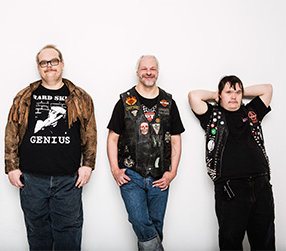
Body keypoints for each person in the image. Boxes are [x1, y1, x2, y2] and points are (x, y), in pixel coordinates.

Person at [4, 44, 97, 250]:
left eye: (53, 61)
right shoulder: (24, 96)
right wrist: (11, 167)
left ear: (62, 64)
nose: (49, 66)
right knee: (37, 233)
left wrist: (88, 164)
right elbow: (11, 131)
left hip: (68, 180)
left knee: (69, 233)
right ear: (38, 68)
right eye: (44, 63)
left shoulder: (80, 97)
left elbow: (90, 133)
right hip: (32, 180)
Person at [188, 75, 275, 250]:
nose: (233, 96)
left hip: (261, 183)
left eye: (237, 92)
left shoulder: (251, 112)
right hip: (230, 188)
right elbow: (193, 96)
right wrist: (217, 94)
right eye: (229, 92)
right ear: (220, 94)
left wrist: (240, 90)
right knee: (231, 241)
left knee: (265, 240)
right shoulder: (212, 115)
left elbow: (268, 89)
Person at [107, 55, 185, 251]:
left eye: (152, 69)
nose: (148, 72)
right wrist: (115, 169)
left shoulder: (169, 102)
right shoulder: (124, 101)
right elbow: (113, 137)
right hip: (131, 175)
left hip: (160, 176)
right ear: (137, 73)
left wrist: (172, 172)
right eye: (144, 69)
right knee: (139, 220)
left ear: (157, 73)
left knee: (156, 225)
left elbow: (176, 138)